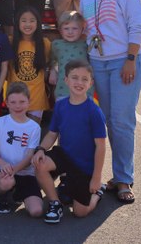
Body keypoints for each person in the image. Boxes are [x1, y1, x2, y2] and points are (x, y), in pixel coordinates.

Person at [80, 0, 141, 204]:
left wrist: (131, 58)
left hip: (124, 62)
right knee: (109, 120)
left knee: (121, 120)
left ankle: (124, 178)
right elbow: (88, 30)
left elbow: (139, 24)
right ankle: (117, 175)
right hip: (98, 63)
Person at [32, 60, 106, 223]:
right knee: (40, 164)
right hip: (64, 156)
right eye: (74, 77)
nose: (79, 82)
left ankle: (97, 193)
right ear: (66, 80)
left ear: (91, 83)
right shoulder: (60, 106)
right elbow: (52, 134)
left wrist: (96, 177)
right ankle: (55, 203)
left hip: (83, 166)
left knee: (80, 212)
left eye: (84, 79)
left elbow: (101, 147)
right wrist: (40, 149)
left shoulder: (94, 111)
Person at [0, 82, 43, 217]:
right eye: (13, 102)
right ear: (7, 103)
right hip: (4, 169)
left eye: (22, 101)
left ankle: (18, 193)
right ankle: (1, 196)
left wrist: (15, 170)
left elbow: (29, 156)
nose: (18, 106)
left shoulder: (34, 127)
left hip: (26, 172)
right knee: (6, 182)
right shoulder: (0, 122)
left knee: (36, 211)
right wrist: (3, 164)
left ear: (29, 102)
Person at [8, 6, 51, 123]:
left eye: (32, 21)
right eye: (24, 21)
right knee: (16, 134)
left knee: (33, 134)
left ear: (38, 23)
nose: (28, 24)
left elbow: (53, 61)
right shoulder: (10, 42)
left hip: (37, 98)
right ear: (17, 23)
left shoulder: (45, 43)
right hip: (15, 98)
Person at [49, 11, 93, 100]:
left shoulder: (86, 44)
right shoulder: (56, 45)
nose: (70, 32)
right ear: (60, 30)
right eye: (66, 28)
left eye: (74, 28)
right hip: (63, 90)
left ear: (82, 29)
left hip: (84, 91)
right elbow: (54, 60)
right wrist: (53, 71)